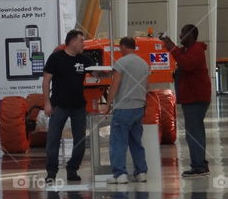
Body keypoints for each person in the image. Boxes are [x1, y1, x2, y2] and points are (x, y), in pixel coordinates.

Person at [162, 25, 211, 178]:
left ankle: (199, 167)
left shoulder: (196, 50)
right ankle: (200, 164)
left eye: (183, 33)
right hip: (191, 97)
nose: (180, 35)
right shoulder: (188, 50)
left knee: (194, 133)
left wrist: (171, 47)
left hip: (195, 98)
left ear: (190, 35)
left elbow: (187, 65)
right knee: (195, 132)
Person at [43, 29, 90, 184]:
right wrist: (47, 103)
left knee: (80, 140)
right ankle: (51, 172)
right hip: (59, 106)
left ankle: (72, 169)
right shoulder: (56, 58)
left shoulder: (84, 59)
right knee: (53, 139)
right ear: (73, 42)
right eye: (81, 40)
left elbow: (97, 74)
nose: (83, 43)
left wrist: (108, 72)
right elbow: (46, 81)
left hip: (78, 107)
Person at [100, 37, 150, 184]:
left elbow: (114, 86)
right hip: (139, 107)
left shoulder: (121, 63)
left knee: (118, 142)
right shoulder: (144, 64)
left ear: (123, 47)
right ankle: (141, 173)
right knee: (136, 142)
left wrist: (108, 104)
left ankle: (120, 174)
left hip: (123, 108)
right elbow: (147, 86)